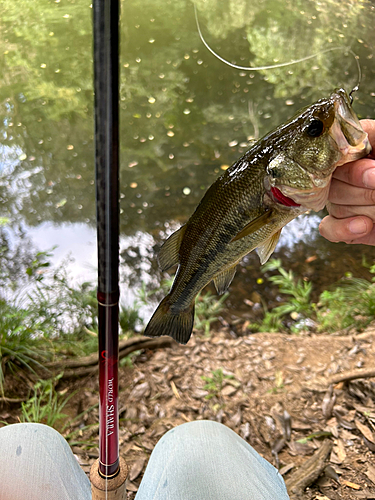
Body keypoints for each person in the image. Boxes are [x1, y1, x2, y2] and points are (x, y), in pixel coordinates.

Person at [1, 120, 375, 500]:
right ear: (278, 174)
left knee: (28, 441)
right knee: (202, 442)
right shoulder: (271, 190)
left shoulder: (281, 190)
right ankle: (177, 306)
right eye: (315, 130)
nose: (324, 128)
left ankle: (176, 305)